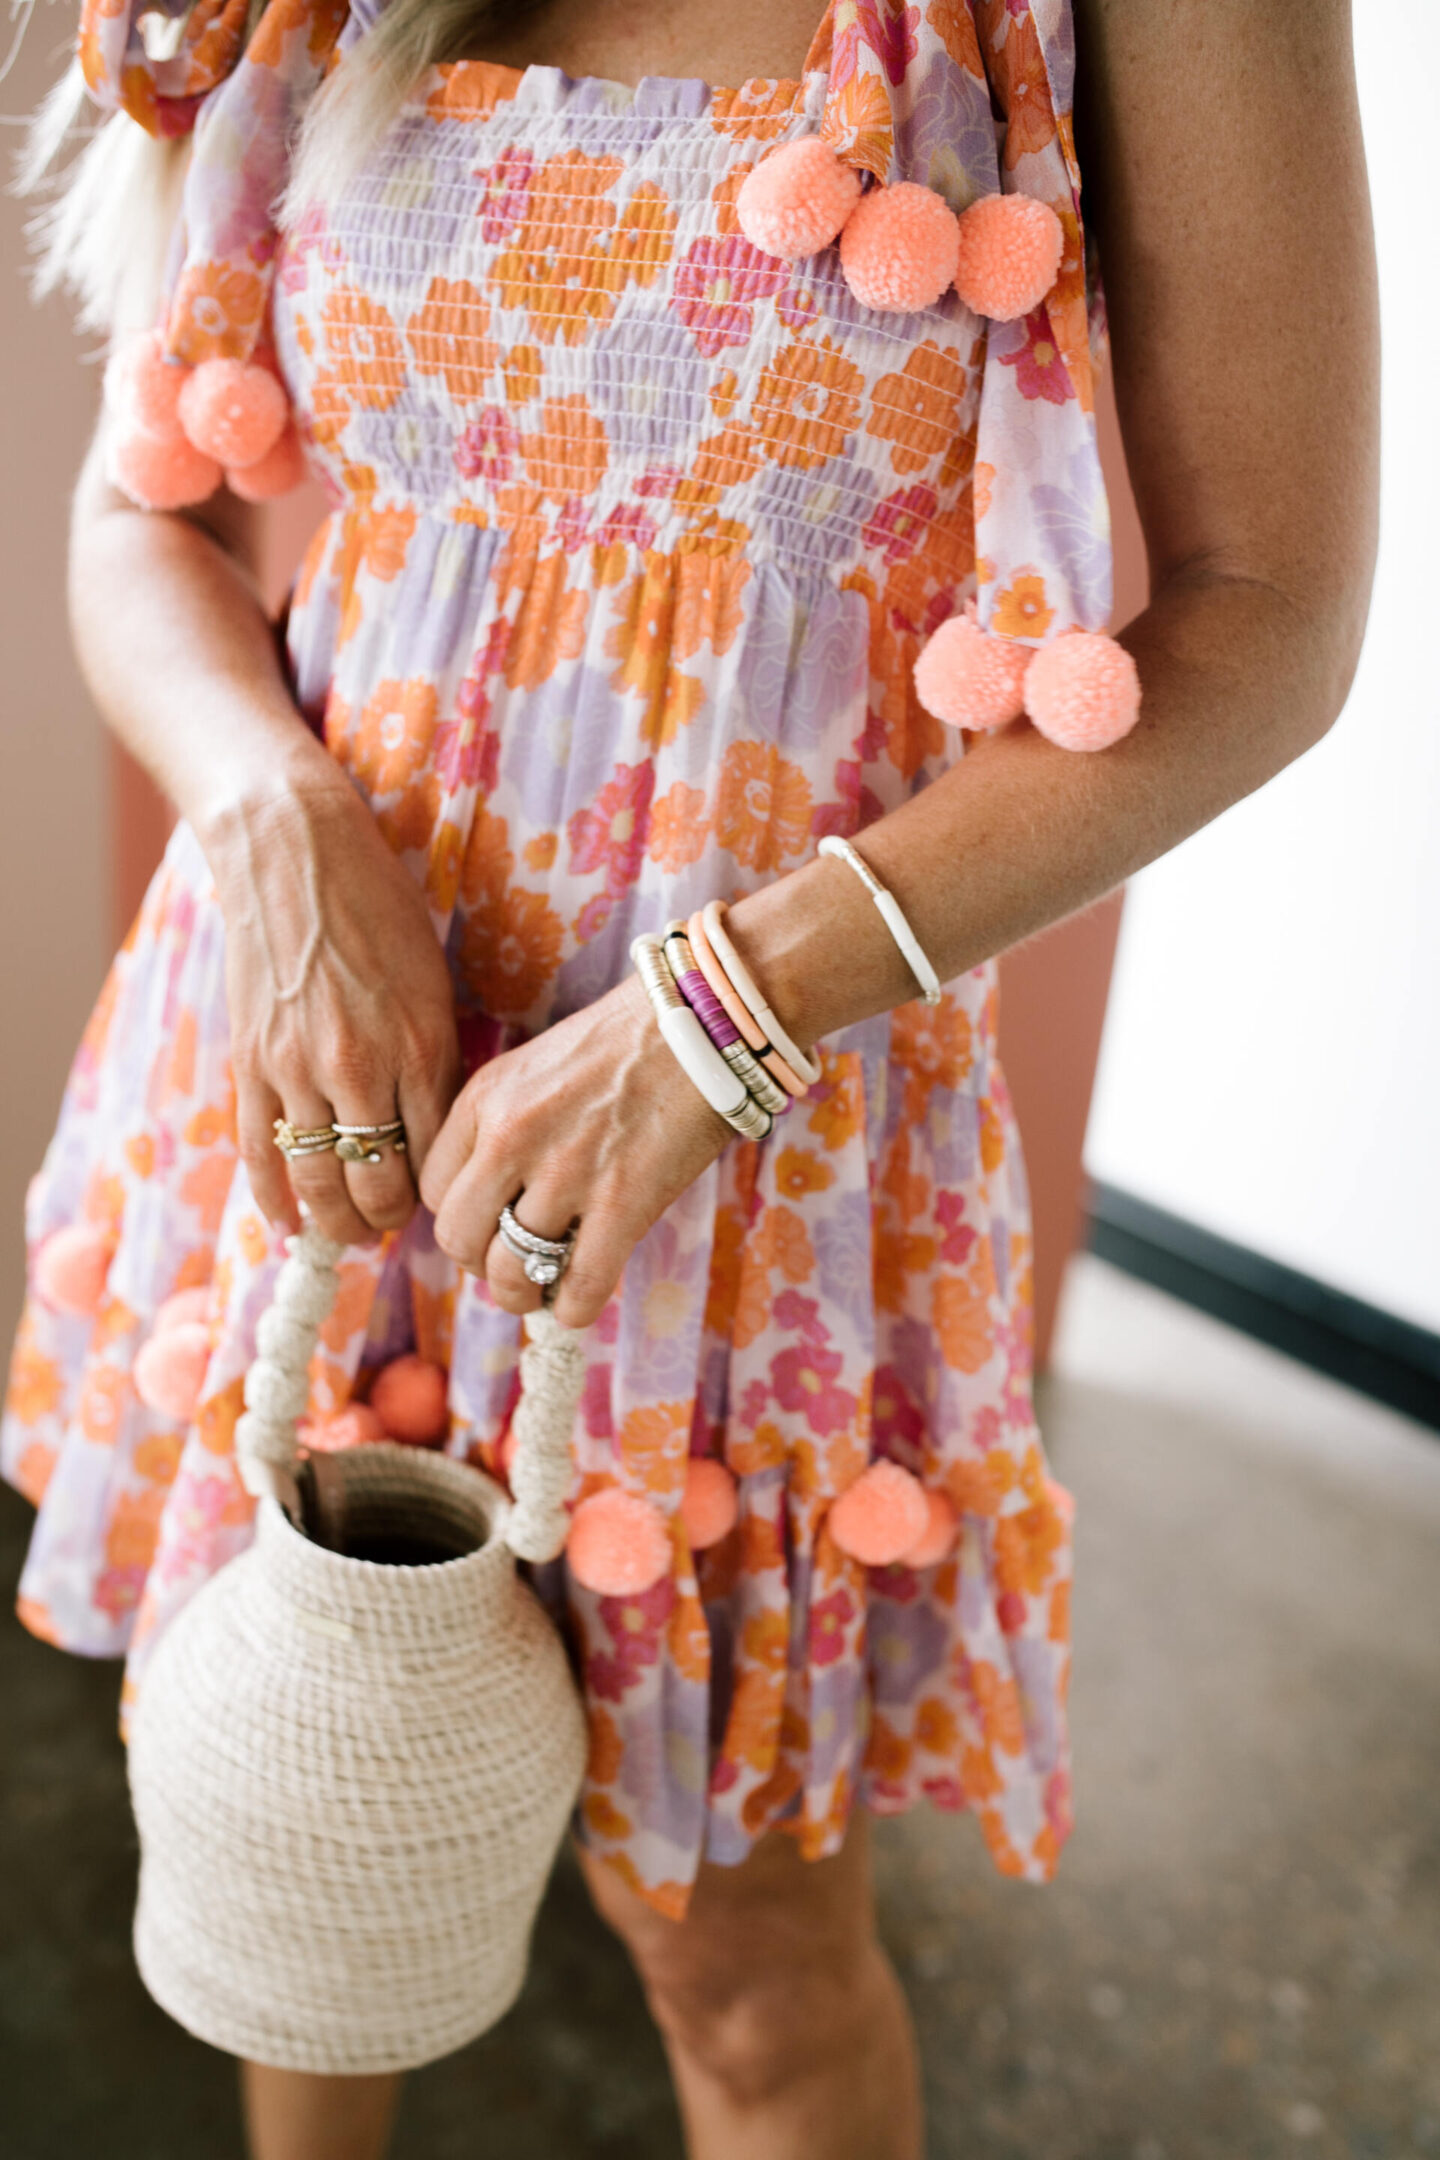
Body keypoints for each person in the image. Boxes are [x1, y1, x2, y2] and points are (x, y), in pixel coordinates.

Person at [2, 0, 1376, 2152]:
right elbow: (136, 511)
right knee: (311, 1845)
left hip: (759, 1170)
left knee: (745, 1976)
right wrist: (266, 818)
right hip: (314, 1072)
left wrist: (719, 1017)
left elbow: (1270, 614)